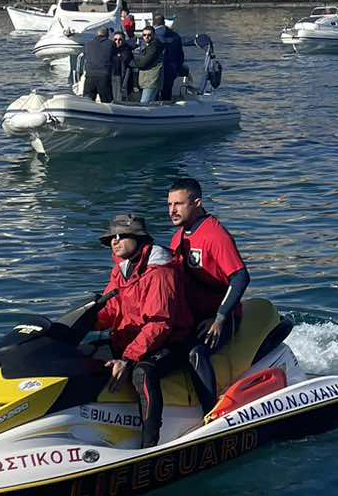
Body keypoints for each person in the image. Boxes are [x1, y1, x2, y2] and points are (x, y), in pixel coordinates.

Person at [71, 213, 194, 448]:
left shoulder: (160, 272)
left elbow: (160, 324)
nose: (114, 242)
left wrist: (128, 357)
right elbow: (111, 308)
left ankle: (150, 444)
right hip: (134, 340)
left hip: (170, 341)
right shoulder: (122, 269)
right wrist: (83, 323)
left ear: (138, 238)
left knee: (143, 374)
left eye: (120, 236)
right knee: (82, 353)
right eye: (110, 238)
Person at [166, 177, 250, 416]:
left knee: (196, 352)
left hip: (221, 316)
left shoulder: (215, 235)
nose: (172, 210)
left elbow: (241, 277)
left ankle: (211, 412)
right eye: (170, 204)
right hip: (193, 315)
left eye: (179, 204)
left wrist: (221, 318)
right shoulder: (179, 235)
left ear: (197, 202)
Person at [78, 22, 117, 104]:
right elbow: (114, 56)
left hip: (90, 75)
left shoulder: (88, 44)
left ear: (97, 34)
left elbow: (86, 55)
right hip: (103, 76)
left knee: (87, 101)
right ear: (107, 35)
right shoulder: (111, 44)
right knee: (107, 102)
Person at [131, 23, 165, 103]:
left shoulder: (154, 47)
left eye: (149, 35)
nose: (146, 37)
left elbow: (143, 63)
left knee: (144, 103)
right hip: (147, 80)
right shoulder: (148, 45)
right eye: (144, 35)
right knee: (151, 103)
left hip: (151, 81)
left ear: (154, 35)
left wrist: (132, 61)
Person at [156, 20, 188, 101]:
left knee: (155, 90)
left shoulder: (152, 34)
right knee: (167, 90)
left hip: (157, 67)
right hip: (171, 66)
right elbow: (180, 55)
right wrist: (177, 67)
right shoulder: (175, 36)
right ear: (164, 22)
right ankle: (166, 103)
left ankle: (156, 103)